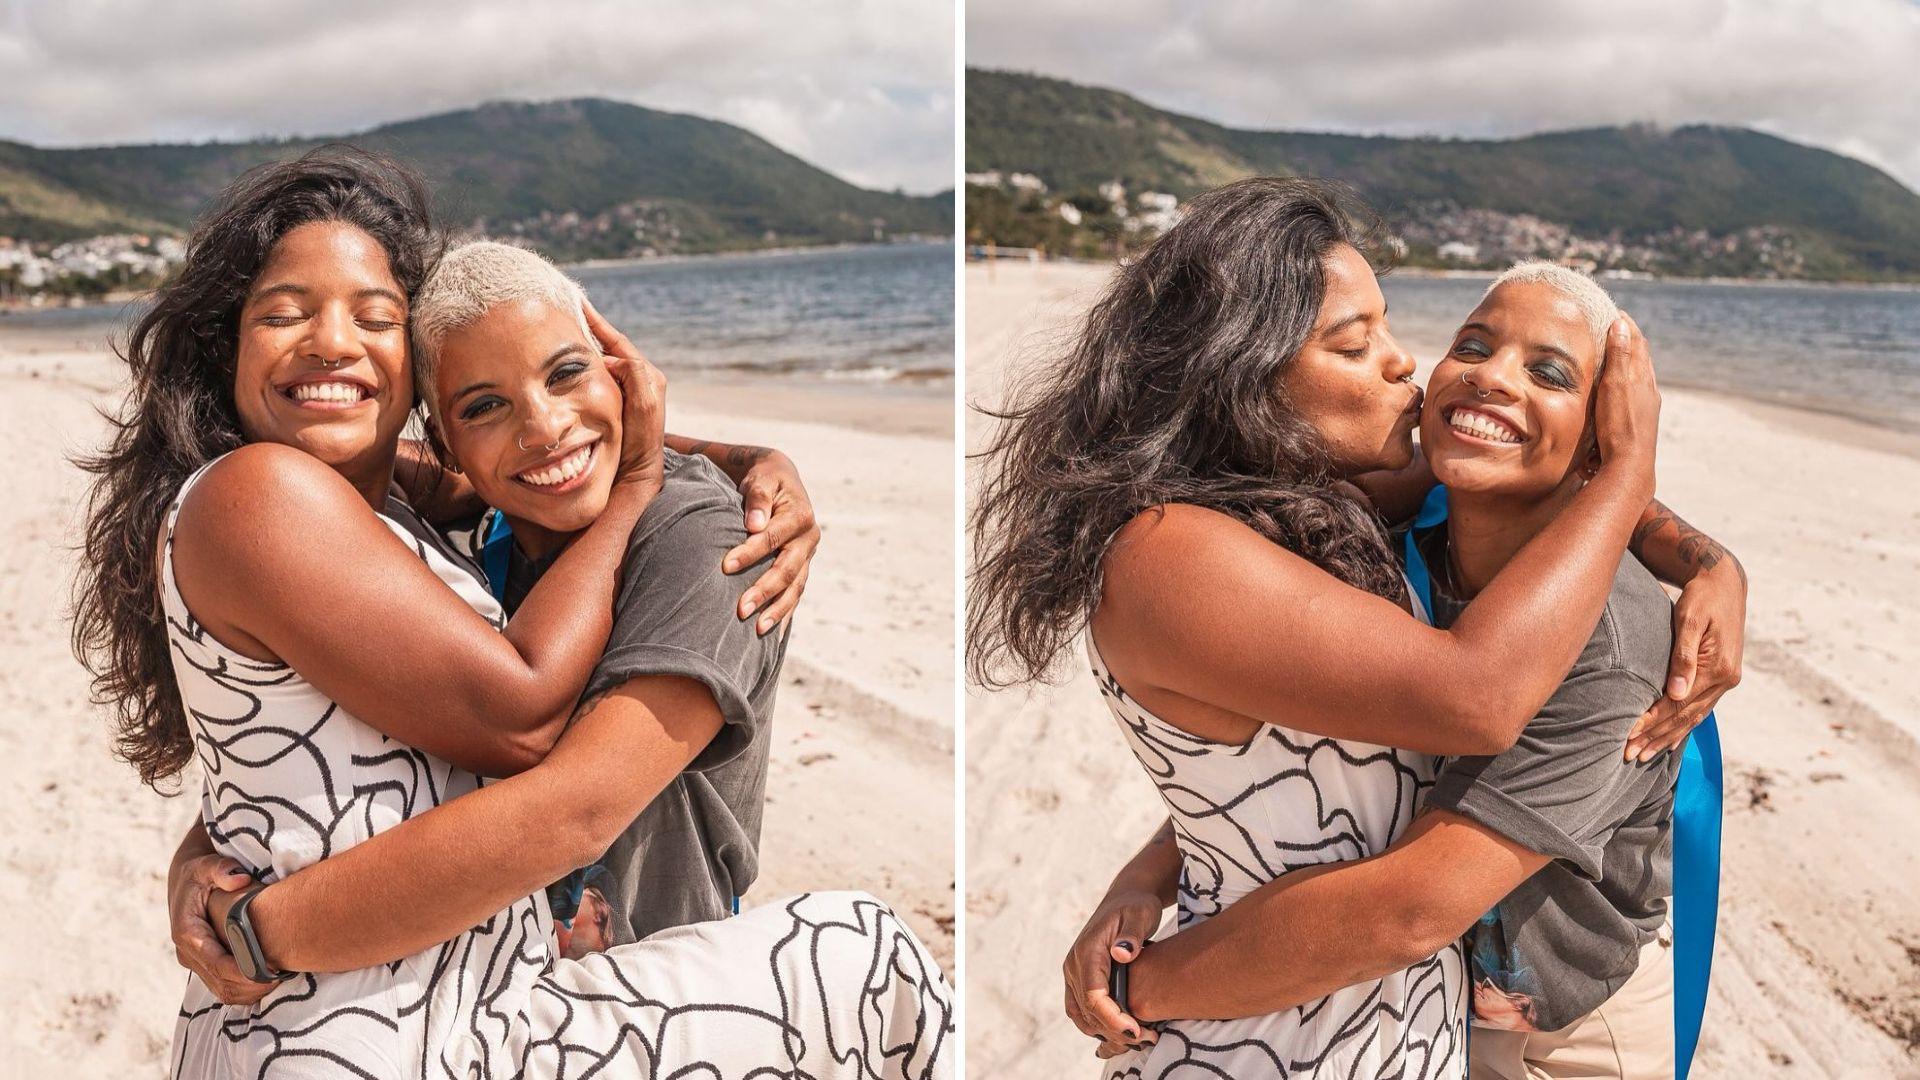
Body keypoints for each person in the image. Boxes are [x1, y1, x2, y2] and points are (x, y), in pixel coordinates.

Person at [72, 149, 952, 1077]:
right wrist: (640, 474)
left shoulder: (389, 505)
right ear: (226, 346)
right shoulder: (268, 492)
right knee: (870, 956)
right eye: (284, 313)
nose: (333, 341)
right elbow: (523, 715)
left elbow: (527, 447)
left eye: (376, 318)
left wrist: (737, 453)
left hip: (376, 1015)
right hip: (380, 1029)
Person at [966, 177, 1743, 1078]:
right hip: (1287, 1030)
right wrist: (1627, 477)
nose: (1404, 363)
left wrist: (1700, 556)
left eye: (1393, 329)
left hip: (1520, 1026)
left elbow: (1327, 782)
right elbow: (1452, 716)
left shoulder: (1340, 515)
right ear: (1241, 371)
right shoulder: (1194, 547)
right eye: (1356, 341)